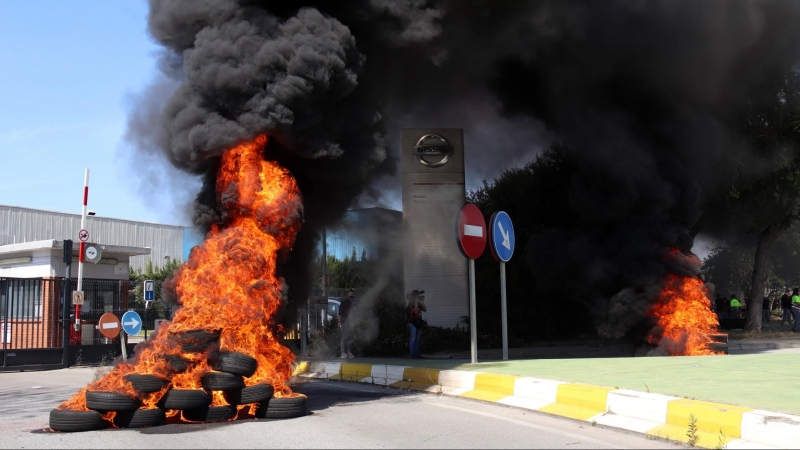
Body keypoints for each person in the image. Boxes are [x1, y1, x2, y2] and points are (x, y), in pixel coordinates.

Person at [405, 290, 427, 359]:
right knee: (413, 339)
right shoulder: (411, 303)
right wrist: (416, 303)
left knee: (417, 339)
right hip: (412, 323)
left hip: (418, 323)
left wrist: (422, 301)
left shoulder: (418, 303)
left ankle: (417, 354)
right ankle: (413, 354)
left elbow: (424, 309)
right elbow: (416, 312)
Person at [338, 289, 356, 358]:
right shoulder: (344, 303)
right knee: (344, 337)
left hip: (351, 322)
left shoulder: (354, 303)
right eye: (350, 294)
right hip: (344, 322)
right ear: (348, 295)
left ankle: (349, 352)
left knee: (350, 337)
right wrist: (339, 321)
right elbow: (339, 313)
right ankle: (343, 352)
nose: (351, 296)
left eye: (353, 294)